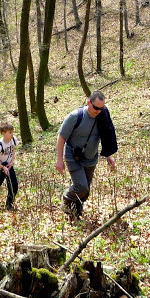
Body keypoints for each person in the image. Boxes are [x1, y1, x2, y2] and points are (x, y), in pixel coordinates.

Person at [55, 91, 118, 220]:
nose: (98, 111)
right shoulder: (75, 116)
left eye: (101, 108)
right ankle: (67, 198)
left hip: (91, 158)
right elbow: (61, 138)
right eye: (96, 108)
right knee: (81, 186)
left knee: (85, 192)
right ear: (89, 102)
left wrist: (109, 155)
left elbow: (106, 136)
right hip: (73, 156)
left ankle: (76, 214)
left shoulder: (102, 116)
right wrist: (59, 160)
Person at [0, 122, 18, 210]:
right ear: (3, 133)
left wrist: (12, 161)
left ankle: (9, 204)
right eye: (9, 132)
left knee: (14, 185)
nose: (12, 134)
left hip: (9, 166)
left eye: (12, 132)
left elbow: (13, 150)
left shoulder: (13, 140)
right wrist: (2, 167)